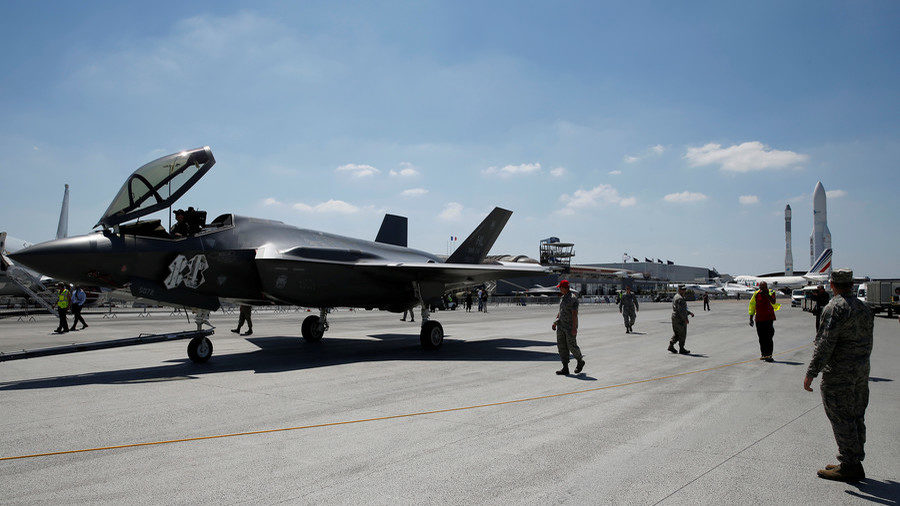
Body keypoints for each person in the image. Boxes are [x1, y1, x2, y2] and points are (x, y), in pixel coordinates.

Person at [803, 269, 874, 482]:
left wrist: (811, 373)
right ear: (851, 284)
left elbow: (825, 344)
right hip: (860, 371)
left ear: (833, 285)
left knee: (840, 416)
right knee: (856, 414)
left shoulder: (835, 307)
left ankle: (850, 465)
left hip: (840, 374)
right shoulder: (864, 307)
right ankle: (853, 459)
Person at [552, 280, 584, 375]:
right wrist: (555, 322)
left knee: (572, 346)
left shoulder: (573, 298)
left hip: (570, 327)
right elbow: (561, 311)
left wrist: (574, 328)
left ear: (565, 288)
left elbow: (574, 314)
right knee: (561, 347)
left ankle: (580, 361)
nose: (559, 289)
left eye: (560, 287)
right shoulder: (563, 298)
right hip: (561, 326)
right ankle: (565, 367)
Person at [749, 281, 780, 361]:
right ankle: (763, 354)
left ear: (766, 287)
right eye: (761, 287)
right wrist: (751, 318)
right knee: (761, 338)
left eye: (764, 287)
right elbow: (752, 305)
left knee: (769, 337)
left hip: (769, 319)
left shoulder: (771, 292)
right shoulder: (756, 294)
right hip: (759, 319)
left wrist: (767, 294)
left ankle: (769, 355)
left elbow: (773, 302)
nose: (762, 289)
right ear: (759, 287)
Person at [667, 285, 695, 354]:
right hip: (679, 319)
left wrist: (689, 313)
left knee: (677, 333)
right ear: (679, 290)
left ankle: (671, 345)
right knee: (682, 333)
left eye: (685, 289)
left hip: (675, 317)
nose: (684, 291)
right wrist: (685, 319)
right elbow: (681, 311)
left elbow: (680, 309)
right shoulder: (680, 298)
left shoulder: (676, 296)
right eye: (682, 289)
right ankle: (681, 348)